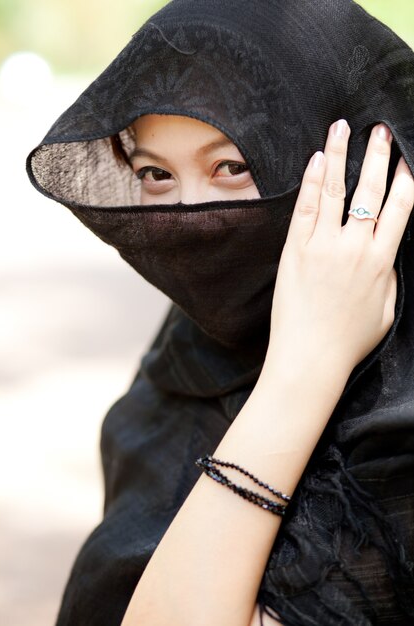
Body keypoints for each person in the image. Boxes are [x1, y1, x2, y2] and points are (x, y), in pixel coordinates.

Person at [27, 1, 414, 624]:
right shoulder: (184, 361)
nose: (190, 216)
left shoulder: (398, 423)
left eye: (231, 166)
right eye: (156, 174)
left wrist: (303, 369)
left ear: (357, 168)